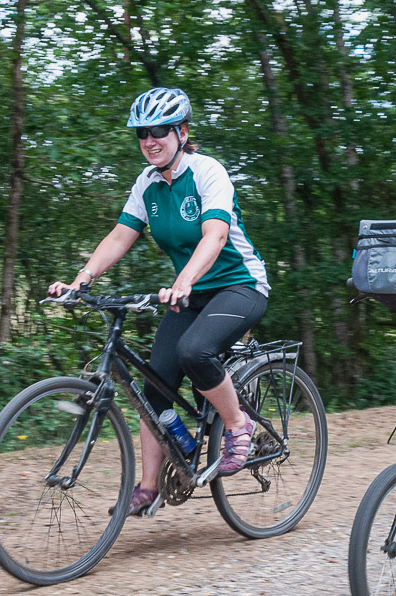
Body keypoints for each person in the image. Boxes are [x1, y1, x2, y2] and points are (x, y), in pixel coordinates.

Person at [48, 87, 269, 515]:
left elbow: (216, 235)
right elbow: (119, 236)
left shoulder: (207, 172)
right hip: (190, 292)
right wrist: (82, 279)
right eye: (142, 134)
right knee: (153, 387)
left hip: (240, 286)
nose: (150, 141)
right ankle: (150, 485)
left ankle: (238, 423)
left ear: (181, 132)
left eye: (160, 131)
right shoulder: (146, 184)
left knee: (194, 351)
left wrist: (184, 280)